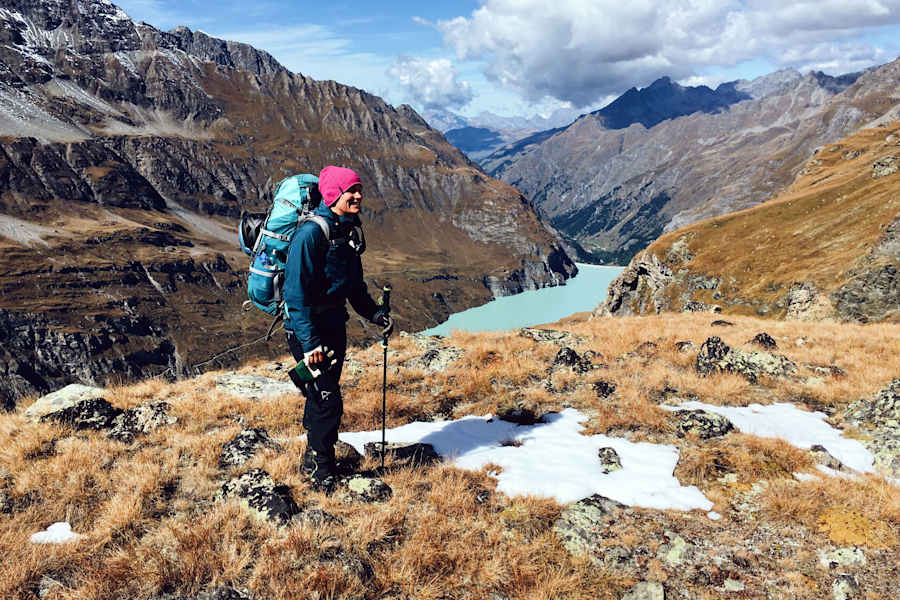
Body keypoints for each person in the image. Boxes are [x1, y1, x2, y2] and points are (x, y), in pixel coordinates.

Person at [283, 165, 393, 493]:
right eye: (352, 191)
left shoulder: (346, 232)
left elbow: (353, 287)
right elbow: (295, 294)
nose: (359, 196)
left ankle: (314, 457)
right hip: (310, 333)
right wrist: (309, 343)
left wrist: (374, 314)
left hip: (334, 328)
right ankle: (320, 469)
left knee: (321, 397)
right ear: (334, 195)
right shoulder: (311, 234)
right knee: (327, 398)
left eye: (359, 189)